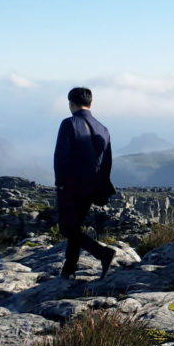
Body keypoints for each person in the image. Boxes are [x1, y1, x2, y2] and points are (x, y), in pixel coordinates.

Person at [53, 87, 116, 279]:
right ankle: (69, 269)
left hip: (71, 185)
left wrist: (60, 182)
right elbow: (107, 161)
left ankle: (103, 253)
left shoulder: (69, 124)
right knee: (76, 226)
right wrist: (102, 185)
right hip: (92, 186)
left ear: (71, 104)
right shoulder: (102, 128)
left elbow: (61, 156)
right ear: (90, 103)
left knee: (67, 228)